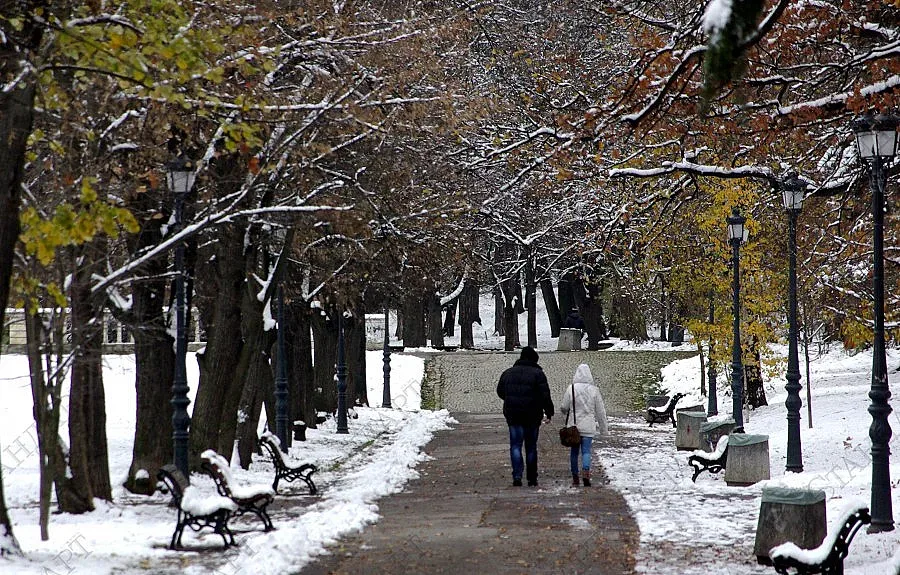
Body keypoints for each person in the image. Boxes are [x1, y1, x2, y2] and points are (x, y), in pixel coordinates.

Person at [496, 346, 554, 487]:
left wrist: (510, 399)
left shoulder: (508, 373)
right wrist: (549, 411)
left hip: (513, 415)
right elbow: (545, 395)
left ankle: (517, 476)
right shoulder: (538, 374)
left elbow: (500, 391)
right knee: (531, 446)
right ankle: (532, 478)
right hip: (532, 415)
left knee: (515, 445)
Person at [559, 363, 608, 487]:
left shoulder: (571, 388)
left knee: (574, 452)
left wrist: (566, 413)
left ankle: (575, 476)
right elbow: (600, 411)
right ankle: (586, 473)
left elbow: (564, 407)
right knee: (586, 451)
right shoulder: (594, 390)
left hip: (574, 427)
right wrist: (604, 429)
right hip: (588, 426)